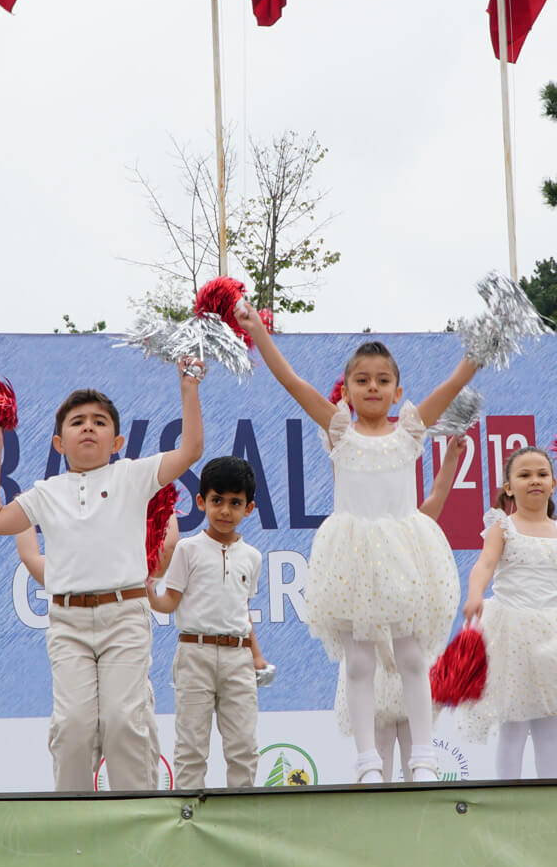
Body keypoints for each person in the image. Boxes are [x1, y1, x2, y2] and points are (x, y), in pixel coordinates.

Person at [234, 302, 472, 784]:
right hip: (353, 556)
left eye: (382, 380)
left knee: (411, 657)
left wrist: (476, 357)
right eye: (362, 379)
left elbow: (449, 388)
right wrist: (259, 332)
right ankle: (368, 762)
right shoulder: (338, 429)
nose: (373, 387)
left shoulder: (409, 429)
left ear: (397, 391)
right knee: (359, 661)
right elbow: (293, 383)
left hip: (405, 553)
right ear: (347, 390)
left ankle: (423, 757)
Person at [0, 366, 205, 792]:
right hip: (68, 624)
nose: (88, 428)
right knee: (74, 726)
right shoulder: (46, 492)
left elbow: (190, 449)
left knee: (123, 722)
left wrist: (188, 388)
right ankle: (75, 824)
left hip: (125, 618)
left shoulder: (132, 475)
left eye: (99, 422)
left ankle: (138, 822)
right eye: (77, 422)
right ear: (59, 442)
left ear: (116, 442)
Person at [458, 447, 557, 779]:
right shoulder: (502, 527)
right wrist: (475, 594)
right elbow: (484, 564)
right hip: (510, 633)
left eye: (541, 474)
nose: (534, 480)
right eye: (524, 475)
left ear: (553, 483)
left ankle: (549, 796)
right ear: (509, 487)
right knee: (513, 724)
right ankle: (509, 798)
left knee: (549, 724)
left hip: (555, 634)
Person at [335, 433, 466, 781]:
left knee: (417, 759)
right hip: (375, 668)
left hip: (406, 663)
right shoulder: (354, 542)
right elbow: (344, 480)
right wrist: (342, 447)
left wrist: (450, 458)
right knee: (378, 762)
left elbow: (436, 499)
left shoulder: (412, 531)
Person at [149, 456, 270, 789]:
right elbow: (169, 602)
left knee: (244, 747)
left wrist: (257, 656)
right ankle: (189, 815)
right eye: (217, 500)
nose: (225, 511)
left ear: (249, 508)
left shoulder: (253, 557)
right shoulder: (188, 549)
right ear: (201, 501)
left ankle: (241, 818)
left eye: (235, 503)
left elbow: (241, 610)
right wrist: (147, 589)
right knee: (191, 747)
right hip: (194, 654)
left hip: (238, 659)